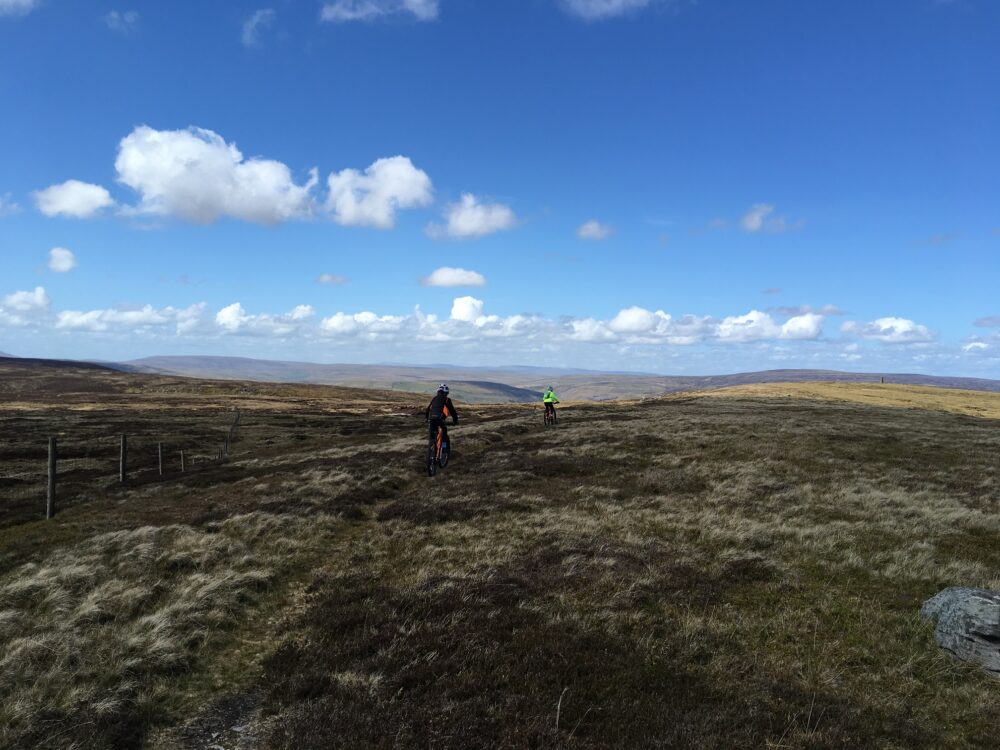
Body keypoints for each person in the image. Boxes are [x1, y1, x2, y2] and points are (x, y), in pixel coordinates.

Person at [425, 384, 458, 452]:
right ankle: (444, 450)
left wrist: (426, 419)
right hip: (440, 419)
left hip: (431, 419)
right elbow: (452, 411)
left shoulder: (434, 398)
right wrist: (455, 421)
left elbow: (428, 409)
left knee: (432, 436)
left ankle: (431, 453)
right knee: (444, 435)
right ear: (446, 393)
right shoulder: (446, 399)